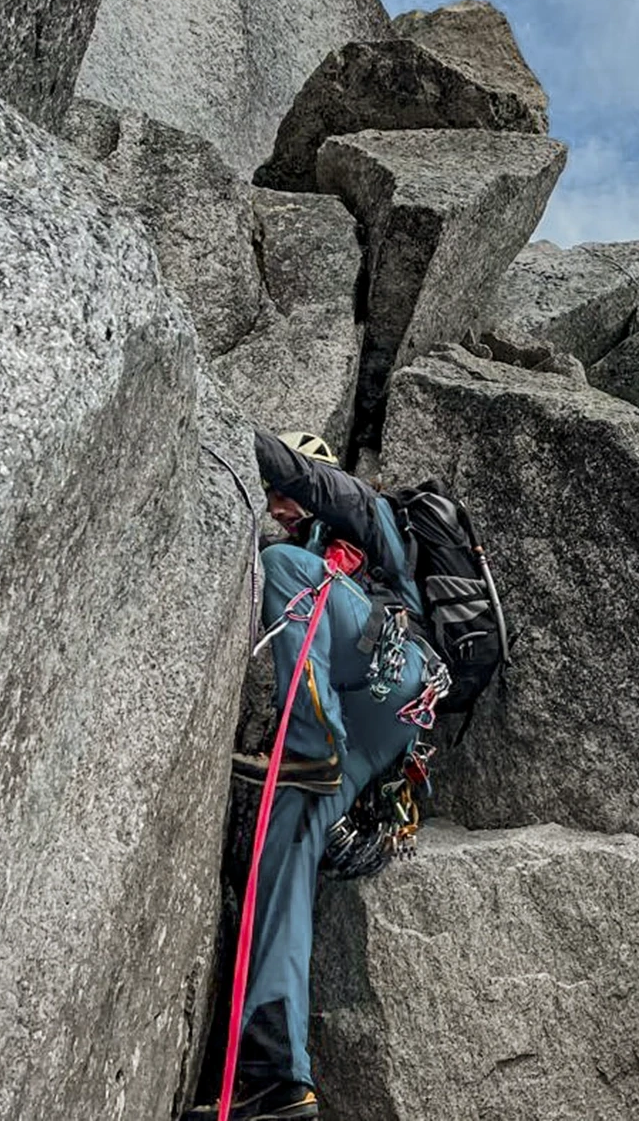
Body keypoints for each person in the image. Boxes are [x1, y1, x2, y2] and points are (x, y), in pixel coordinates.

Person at [191, 430, 436, 1120]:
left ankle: (311, 739)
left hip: (392, 667)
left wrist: (240, 434)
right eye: (274, 502)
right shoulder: (325, 536)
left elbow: (317, 486)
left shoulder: (364, 510)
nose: (280, 507)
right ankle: (276, 1077)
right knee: (284, 843)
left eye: (287, 495)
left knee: (289, 571)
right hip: (381, 719)